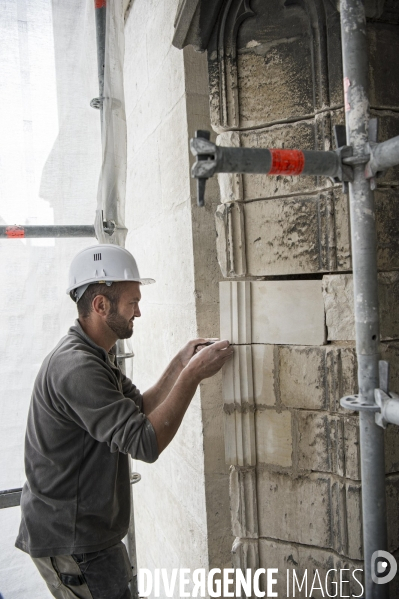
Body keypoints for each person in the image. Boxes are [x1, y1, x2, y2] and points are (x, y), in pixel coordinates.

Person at [15, 244, 233, 599]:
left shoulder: (96, 353)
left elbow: (139, 407)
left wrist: (180, 364)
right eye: (132, 302)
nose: (139, 312)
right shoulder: (78, 368)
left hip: (87, 533)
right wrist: (192, 377)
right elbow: (145, 442)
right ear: (101, 305)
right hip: (74, 540)